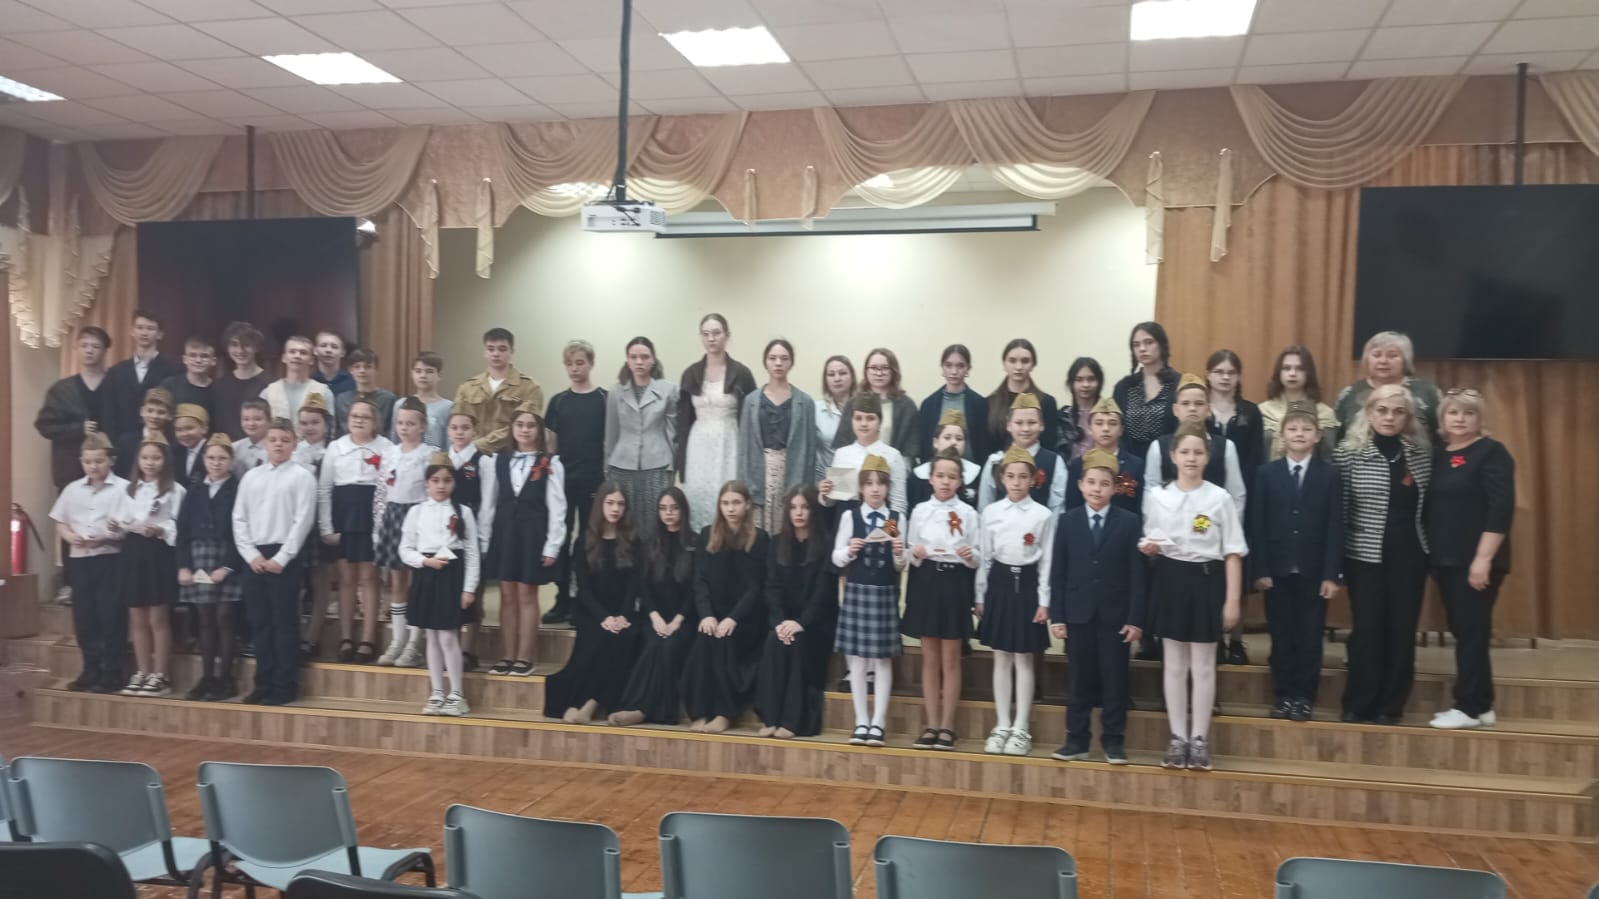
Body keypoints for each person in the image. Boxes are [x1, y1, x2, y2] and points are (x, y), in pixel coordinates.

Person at [1141, 423, 1246, 772]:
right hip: (1170, 580)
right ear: (1173, 456)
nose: (1191, 458)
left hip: (1206, 581)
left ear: (1207, 457)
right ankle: (1178, 737)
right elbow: (1152, 538)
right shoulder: (1159, 497)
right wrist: (1151, 547)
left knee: (1202, 665)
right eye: (1184, 452)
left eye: (1197, 452)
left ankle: (1199, 738)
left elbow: (1232, 552)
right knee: (1173, 663)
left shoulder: (1219, 499)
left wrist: (1232, 600)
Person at [1334, 384, 1432, 726]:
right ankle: (1359, 703)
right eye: (1382, 410)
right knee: (1368, 629)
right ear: (1369, 413)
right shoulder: (1348, 454)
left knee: (1402, 630)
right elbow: (1340, 511)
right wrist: (1336, 563)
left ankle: (1391, 706)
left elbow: (1429, 508)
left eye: (1398, 412)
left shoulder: (1421, 455)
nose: (1389, 418)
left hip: (1411, 555)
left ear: (1408, 417)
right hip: (1364, 556)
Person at [1050, 448, 1146, 765]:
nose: (1096, 489)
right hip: (1078, 613)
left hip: (1115, 616)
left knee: (1115, 679)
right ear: (1080, 485)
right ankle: (1076, 740)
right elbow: (1058, 572)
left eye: (1104, 484)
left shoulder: (1129, 523)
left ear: (1115, 487)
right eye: (1091, 482)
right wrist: (1058, 615)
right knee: (1078, 679)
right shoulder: (1067, 521)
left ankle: (1114, 741)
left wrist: (1135, 619)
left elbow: (1137, 575)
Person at [1425, 388, 1514, 730]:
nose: (1460, 419)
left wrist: (1483, 558)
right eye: (1453, 412)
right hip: (1446, 559)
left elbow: (1500, 508)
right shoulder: (1438, 455)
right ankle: (1483, 702)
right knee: (1466, 630)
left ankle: (1467, 707)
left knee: (1472, 631)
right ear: (1442, 418)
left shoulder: (1491, 452)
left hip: (1477, 560)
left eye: (1468, 413)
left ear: (1480, 419)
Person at [1247, 408, 1343, 722]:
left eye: (1306, 429)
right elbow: (1258, 524)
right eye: (1293, 429)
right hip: (1277, 570)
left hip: (1314, 572)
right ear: (1282, 435)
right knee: (1282, 636)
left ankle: (1304, 697)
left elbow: (1334, 526)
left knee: (1310, 636)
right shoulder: (1266, 473)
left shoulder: (1329, 474)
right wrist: (1261, 569)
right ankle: (1284, 695)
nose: (1299, 434)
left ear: (1317, 436)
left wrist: (1331, 574)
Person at [231, 417, 318, 705]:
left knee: (285, 623)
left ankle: (285, 684)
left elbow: (303, 520)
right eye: (273, 440)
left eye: (284, 440)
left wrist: (283, 557)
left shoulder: (302, 476)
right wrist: (251, 555)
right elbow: (239, 518)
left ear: (294, 443)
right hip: (255, 556)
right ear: (265, 444)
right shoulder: (251, 477)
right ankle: (263, 683)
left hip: (285, 555)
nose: (278, 445)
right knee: (260, 623)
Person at [976, 445, 1054, 757]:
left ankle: (1021, 727)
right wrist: (980, 595)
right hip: (1000, 584)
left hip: (1028, 586)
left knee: (1024, 657)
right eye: (1011, 476)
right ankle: (1002, 724)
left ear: (1033, 479)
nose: (1017, 482)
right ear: (1002, 478)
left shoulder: (1043, 515)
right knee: (1001, 656)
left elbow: (1046, 561)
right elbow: (984, 557)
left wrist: (1044, 601)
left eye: (1023, 476)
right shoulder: (991, 513)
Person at [902, 448, 979, 751]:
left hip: (955, 583)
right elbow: (908, 551)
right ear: (931, 479)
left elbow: (979, 557)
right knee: (929, 658)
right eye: (940, 476)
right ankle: (931, 724)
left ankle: (948, 726)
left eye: (952, 477)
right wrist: (915, 553)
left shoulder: (969, 513)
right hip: (927, 582)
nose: (946, 482)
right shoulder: (920, 510)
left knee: (951, 658)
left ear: (960, 481)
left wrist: (970, 556)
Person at [544, 484, 640, 724]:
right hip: (593, 612)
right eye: (610, 503)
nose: (615, 509)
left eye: (620, 504)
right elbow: (584, 589)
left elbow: (634, 586)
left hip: (623, 612)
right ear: (600, 506)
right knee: (599, 641)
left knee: (620, 639)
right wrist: (604, 618)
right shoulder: (584, 541)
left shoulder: (633, 540)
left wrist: (623, 616)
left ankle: (588, 705)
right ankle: (588, 704)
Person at [680, 480, 770, 734]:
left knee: (724, 640)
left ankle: (724, 712)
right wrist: (707, 615)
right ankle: (699, 712)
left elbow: (755, 588)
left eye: (736, 503)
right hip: (714, 615)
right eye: (725, 503)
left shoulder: (759, 538)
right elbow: (700, 581)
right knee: (704, 639)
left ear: (747, 505)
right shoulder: (707, 535)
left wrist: (733, 619)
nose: (731, 508)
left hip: (745, 619)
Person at [483, 404, 567, 676]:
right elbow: (489, 504)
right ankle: (507, 654)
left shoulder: (550, 462)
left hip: (532, 533)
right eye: (520, 424)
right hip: (505, 532)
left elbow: (557, 507)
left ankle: (525, 656)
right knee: (507, 594)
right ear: (512, 428)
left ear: (539, 430)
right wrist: (485, 539)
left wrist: (553, 544)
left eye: (531, 425)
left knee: (526, 594)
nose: (525, 430)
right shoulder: (498, 460)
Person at [831, 455, 906, 747]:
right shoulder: (851, 517)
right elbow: (836, 557)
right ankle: (861, 720)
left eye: (880, 483)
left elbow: (900, 565)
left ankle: (879, 722)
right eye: (869, 483)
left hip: (884, 593)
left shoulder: (894, 519)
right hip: (857, 592)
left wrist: (899, 553)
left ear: (888, 487)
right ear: (861, 488)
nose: (875, 489)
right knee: (858, 663)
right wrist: (849, 551)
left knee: (883, 661)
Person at [400, 454, 480, 718]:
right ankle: (437, 691)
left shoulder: (463, 512)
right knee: (431, 636)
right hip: (427, 573)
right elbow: (405, 549)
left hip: (452, 575)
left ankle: (457, 693)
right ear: (427, 483)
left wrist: (469, 588)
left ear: (454, 483)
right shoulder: (416, 512)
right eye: (435, 480)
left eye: (446, 480)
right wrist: (424, 561)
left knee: (447, 636)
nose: (441, 486)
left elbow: (472, 552)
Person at [610, 487, 698, 726]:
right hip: (655, 617)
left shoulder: (695, 542)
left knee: (669, 647)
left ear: (683, 510)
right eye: (663, 508)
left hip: (684, 619)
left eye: (674, 508)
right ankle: (637, 706)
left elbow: (695, 589)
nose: (668, 513)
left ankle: (651, 711)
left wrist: (677, 620)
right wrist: (655, 617)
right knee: (653, 644)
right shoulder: (649, 544)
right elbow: (643, 587)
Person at [755, 485, 837, 739]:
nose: (799, 513)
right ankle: (771, 718)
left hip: (816, 624)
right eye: (793, 507)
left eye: (804, 507)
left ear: (814, 510)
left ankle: (794, 721)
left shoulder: (826, 544)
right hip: (784, 622)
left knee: (799, 644)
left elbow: (823, 593)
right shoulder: (777, 543)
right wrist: (780, 622)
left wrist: (801, 623)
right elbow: (771, 588)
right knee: (773, 641)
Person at [49, 431, 127, 693]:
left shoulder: (124, 488)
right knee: (85, 616)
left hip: (110, 558)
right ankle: (90, 668)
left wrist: (109, 535)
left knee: (111, 614)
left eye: (99, 461)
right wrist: (69, 535)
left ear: (111, 460)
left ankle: (112, 671)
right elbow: (60, 521)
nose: (94, 467)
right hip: (80, 559)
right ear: (81, 461)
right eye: (88, 462)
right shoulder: (72, 489)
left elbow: (129, 526)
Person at [318, 397, 393, 664]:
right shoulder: (336, 447)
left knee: (369, 578)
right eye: (354, 416)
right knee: (346, 579)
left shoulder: (386, 447)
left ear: (375, 422)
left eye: (365, 416)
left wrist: (383, 527)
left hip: (371, 514)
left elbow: (389, 489)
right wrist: (326, 526)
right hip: (343, 515)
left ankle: (368, 639)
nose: (359, 420)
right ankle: (346, 637)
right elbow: (325, 489)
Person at [110, 434, 184, 698]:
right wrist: (115, 525)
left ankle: (161, 675)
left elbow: (179, 525)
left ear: (165, 460)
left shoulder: (175, 490)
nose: (150, 463)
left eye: (156, 457)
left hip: (158, 552)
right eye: (145, 457)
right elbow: (120, 520)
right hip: (133, 551)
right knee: (137, 617)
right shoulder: (128, 489)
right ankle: (142, 671)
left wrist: (161, 529)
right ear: (137, 460)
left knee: (157, 618)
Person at [544, 340, 609, 626]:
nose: (574, 368)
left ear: (591, 364)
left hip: (594, 481)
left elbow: (610, 440)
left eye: (580, 362)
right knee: (560, 539)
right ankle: (562, 599)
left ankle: (585, 599)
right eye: (569, 363)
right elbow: (551, 444)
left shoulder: (604, 399)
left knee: (588, 541)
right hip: (563, 483)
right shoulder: (558, 401)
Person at [177, 433, 244, 701]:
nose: (216, 463)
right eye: (212, 458)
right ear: (204, 459)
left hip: (226, 555)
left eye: (222, 458)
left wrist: (227, 566)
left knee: (225, 617)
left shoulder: (238, 489)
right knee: (205, 619)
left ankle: (225, 678)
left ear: (231, 461)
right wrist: (184, 566)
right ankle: (206, 677)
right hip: (199, 556)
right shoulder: (194, 490)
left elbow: (242, 531)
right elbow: (182, 532)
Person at [374, 398, 439, 667]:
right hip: (393, 517)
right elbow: (381, 492)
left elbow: (433, 493)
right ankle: (398, 639)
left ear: (422, 426)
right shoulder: (390, 453)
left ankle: (415, 642)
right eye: (400, 423)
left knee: (417, 584)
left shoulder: (430, 454)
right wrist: (378, 527)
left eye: (410, 423)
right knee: (397, 582)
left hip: (418, 520)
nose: (404, 428)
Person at [677, 314, 757, 532]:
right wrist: (679, 460)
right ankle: (700, 540)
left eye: (716, 333)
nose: (711, 338)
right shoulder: (690, 373)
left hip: (729, 440)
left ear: (727, 336)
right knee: (698, 493)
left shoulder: (741, 373)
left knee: (728, 492)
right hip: (698, 443)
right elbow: (683, 421)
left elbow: (751, 417)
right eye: (706, 334)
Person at [739, 338, 820, 535]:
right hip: (760, 467)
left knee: (788, 526)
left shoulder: (805, 402)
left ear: (791, 362)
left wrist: (808, 487)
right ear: (765, 362)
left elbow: (810, 449)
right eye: (772, 358)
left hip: (792, 467)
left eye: (784, 358)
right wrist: (743, 484)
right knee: (758, 529)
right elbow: (744, 447)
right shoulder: (751, 401)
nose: (778, 363)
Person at [605, 336, 678, 532]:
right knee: (626, 520)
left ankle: (654, 553)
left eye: (645, 357)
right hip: (622, 465)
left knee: (654, 520)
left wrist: (672, 468)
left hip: (658, 464)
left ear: (653, 359)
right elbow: (611, 434)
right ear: (627, 360)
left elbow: (672, 433)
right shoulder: (615, 392)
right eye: (633, 357)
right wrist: (607, 468)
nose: (639, 362)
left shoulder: (669, 390)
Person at [1145, 374, 1246, 517]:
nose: (1192, 408)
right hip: (1169, 524)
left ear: (1208, 409)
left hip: (1214, 524)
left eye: (1199, 403)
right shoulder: (1158, 447)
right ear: (1175, 410)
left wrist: (1230, 526)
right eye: (1185, 403)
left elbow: (1236, 495)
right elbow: (1150, 494)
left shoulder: (1226, 448)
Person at [37, 326, 112, 494]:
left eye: (95, 346)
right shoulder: (61, 389)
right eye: (84, 346)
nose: (89, 351)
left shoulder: (117, 385)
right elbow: (45, 426)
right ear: (76, 348)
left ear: (105, 350)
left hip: (111, 468)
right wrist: (78, 429)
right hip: (70, 468)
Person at [444, 412, 492, 670]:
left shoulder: (483, 461)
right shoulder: (443, 460)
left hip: (473, 532)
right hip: (445, 534)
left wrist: (483, 540)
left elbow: (488, 503)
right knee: (449, 590)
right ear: (448, 431)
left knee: (473, 592)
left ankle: (469, 650)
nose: (459, 432)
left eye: (465, 427)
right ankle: (449, 648)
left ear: (475, 431)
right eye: (454, 427)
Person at [1334, 331, 1442, 440]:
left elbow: (1443, 436)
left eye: (1392, 355)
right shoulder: (1349, 393)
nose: (1383, 361)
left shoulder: (1428, 392)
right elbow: (1337, 438)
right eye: (1376, 355)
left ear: (1405, 360)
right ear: (1367, 359)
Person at [292, 393, 335, 660]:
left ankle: (313, 637)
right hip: (297, 525)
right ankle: (295, 634)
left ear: (326, 424)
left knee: (321, 582)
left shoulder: (333, 452)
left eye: (315, 422)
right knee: (296, 583)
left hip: (321, 523)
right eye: (305, 423)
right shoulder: (293, 452)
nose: (309, 428)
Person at [454, 327, 544, 454]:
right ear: (484, 352)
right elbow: (457, 424)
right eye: (491, 349)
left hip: (511, 455)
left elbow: (524, 426)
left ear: (512, 351)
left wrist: (480, 445)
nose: (496, 354)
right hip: (471, 455)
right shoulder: (467, 388)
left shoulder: (529, 388)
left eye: (502, 349)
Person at [820, 392, 908, 516]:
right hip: (846, 519)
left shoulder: (892, 456)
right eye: (858, 418)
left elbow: (898, 503)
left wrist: (889, 528)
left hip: (880, 519)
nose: (864, 424)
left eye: (870, 418)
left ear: (880, 422)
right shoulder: (841, 454)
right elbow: (833, 501)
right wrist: (825, 494)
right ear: (852, 421)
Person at [977, 392, 1067, 514]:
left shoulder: (1054, 462)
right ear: (1009, 425)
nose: (1025, 429)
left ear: (1041, 425)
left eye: (1032, 423)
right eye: (1019, 423)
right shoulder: (995, 461)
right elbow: (985, 506)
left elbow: (1057, 508)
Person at [102, 310, 183, 439]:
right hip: (123, 443)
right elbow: (109, 414)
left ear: (160, 334)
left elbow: (176, 410)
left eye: (150, 328)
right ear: (132, 331)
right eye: (139, 328)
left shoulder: (175, 369)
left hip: (162, 441)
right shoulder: (116, 372)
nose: (144, 333)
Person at [831, 348, 919, 465]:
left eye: (885, 368)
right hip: (856, 468)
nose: (879, 373)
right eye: (873, 368)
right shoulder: (853, 403)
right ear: (866, 371)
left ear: (893, 371)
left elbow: (910, 450)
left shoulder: (906, 405)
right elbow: (842, 443)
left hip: (892, 467)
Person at [1064, 397, 1144, 516]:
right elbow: (1072, 507)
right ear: (1090, 429)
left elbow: (1138, 508)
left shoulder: (1136, 465)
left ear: (1121, 430)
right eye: (1099, 423)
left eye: (1112, 423)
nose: (1106, 429)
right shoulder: (1079, 464)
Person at [1112, 321, 1179, 458]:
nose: (1142, 348)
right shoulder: (1124, 387)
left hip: (1168, 459)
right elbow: (1118, 430)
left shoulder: (1178, 384)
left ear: (1161, 344)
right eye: (1136, 345)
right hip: (1131, 462)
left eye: (1149, 342)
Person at [1259, 345, 1339, 460]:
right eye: (1286, 368)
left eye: (1300, 368)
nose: (1292, 373)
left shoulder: (1324, 414)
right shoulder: (1262, 411)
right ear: (1279, 372)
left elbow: (1328, 458)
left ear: (1309, 373)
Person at [985, 339, 1060, 455]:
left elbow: (1049, 446)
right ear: (1004, 364)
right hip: (997, 464)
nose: (1019, 367)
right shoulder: (989, 403)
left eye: (1025, 361)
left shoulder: (1047, 402)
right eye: (1012, 361)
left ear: (1033, 365)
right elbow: (985, 446)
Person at [918, 344, 990, 464]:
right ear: (942, 367)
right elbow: (925, 446)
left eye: (960, 366)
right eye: (948, 365)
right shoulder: (929, 404)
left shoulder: (979, 404)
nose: (954, 371)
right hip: (938, 470)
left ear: (968, 368)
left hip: (971, 470)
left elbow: (983, 445)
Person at [1205, 350, 1264, 494]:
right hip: (1205, 488)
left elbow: (1256, 457)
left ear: (1238, 377)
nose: (1225, 377)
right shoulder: (1199, 410)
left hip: (1244, 486)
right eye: (1219, 372)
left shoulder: (1251, 412)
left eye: (1231, 373)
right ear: (1208, 375)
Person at [908, 410, 981, 511]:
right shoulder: (918, 475)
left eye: (959, 439)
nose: (953, 442)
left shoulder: (976, 473)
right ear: (936, 442)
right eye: (947, 438)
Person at [215, 322, 272, 439]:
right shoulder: (221, 384)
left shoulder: (270, 384)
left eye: (246, 345)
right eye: (234, 345)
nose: (240, 350)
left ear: (256, 347)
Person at [261, 335, 335, 425]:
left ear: (311, 360)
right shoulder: (268, 392)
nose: (297, 356)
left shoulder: (324, 392)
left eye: (303, 353)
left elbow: (330, 427)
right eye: (292, 352)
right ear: (284, 358)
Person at [392, 351, 452, 450]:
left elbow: (449, 443)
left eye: (429, 371)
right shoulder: (401, 404)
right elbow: (394, 440)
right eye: (418, 371)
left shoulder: (447, 407)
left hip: (435, 457)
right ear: (412, 374)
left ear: (439, 375)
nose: (423, 375)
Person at [112, 388, 174, 480]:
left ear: (170, 415)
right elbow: (119, 474)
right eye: (150, 410)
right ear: (142, 411)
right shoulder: (126, 442)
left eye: (161, 412)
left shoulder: (174, 443)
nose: (154, 416)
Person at [159, 336, 218, 432]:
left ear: (213, 361)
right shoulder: (170, 385)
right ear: (184, 359)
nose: (198, 360)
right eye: (193, 355)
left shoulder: (219, 390)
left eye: (204, 356)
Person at [335, 347, 397, 437]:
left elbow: (391, 431)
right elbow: (338, 431)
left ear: (376, 369)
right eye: (357, 367)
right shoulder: (342, 399)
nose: (362, 371)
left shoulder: (388, 399)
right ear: (350, 370)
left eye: (367, 367)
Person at [1056, 357, 1104, 462]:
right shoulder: (1063, 417)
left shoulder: (1107, 417)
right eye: (1079, 380)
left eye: (1091, 379)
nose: (1085, 385)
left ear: (1099, 382)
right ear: (1071, 383)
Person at [816, 355, 855, 473]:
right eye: (831, 374)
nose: (837, 378)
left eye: (842, 373)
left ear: (852, 376)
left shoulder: (863, 408)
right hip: (826, 477)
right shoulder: (816, 409)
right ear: (825, 380)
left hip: (861, 476)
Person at [170, 404, 210, 487]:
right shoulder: (176, 452)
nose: (184, 434)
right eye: (179, 430)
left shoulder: (212, 450)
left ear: (204, 428)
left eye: (189, 428)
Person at [232, 399, 272, 475]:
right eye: (246, 419)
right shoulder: (234, 448)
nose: (251, 423)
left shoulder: (274, 449)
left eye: (258, 419)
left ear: (269, 421)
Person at [312, 330, 355, 397]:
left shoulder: (353, 381)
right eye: (323, 345)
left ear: (343, 352)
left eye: (334, 347)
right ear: (315, 350)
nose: (328, 350)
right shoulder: (309, 380)